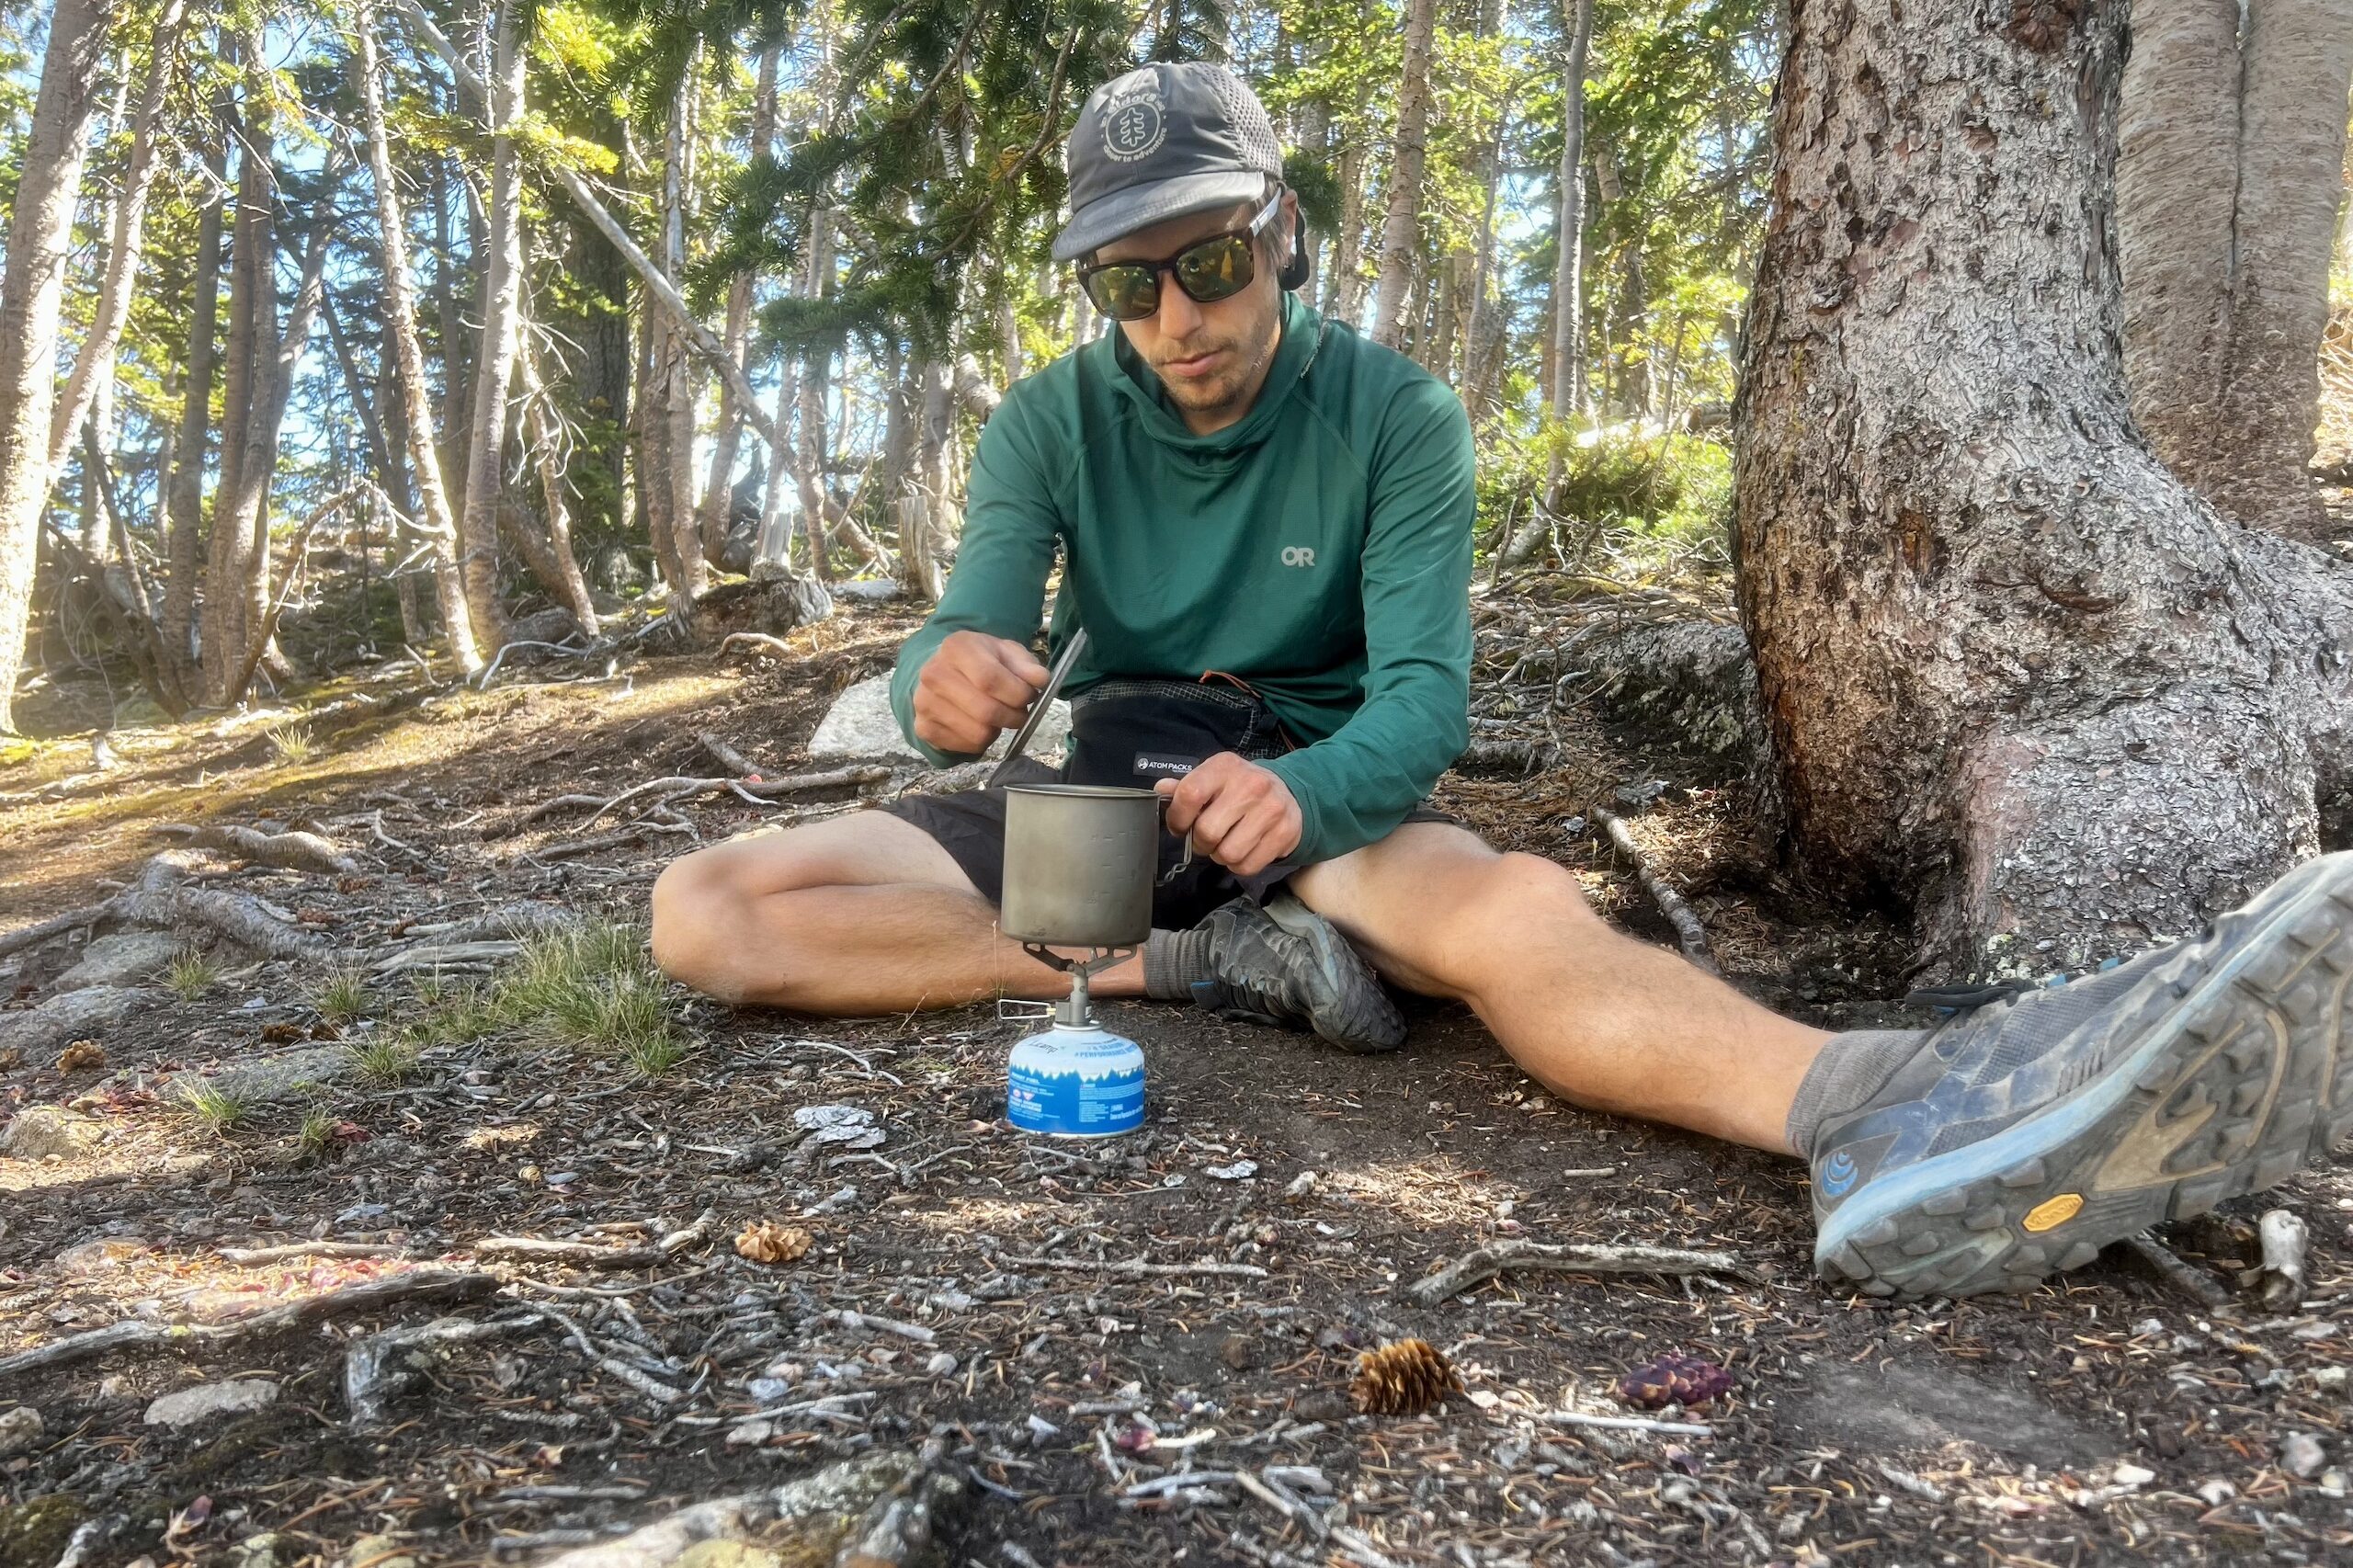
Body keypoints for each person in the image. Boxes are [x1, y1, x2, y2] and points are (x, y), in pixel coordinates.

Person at [653, 62, 2353, 1301]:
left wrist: (1307, 800)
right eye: (1127, 279)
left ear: (1283, 234)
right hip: (1101, 787)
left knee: (1512, 911)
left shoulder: (1394, 415)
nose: (1175, 314)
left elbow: (1425, 702)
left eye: (1211, 260)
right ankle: (1195, 962)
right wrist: (941, 676)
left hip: (1320, 774)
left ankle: (1875, 1109)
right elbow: (957, 630)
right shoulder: (1050, 419)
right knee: (709, 914)